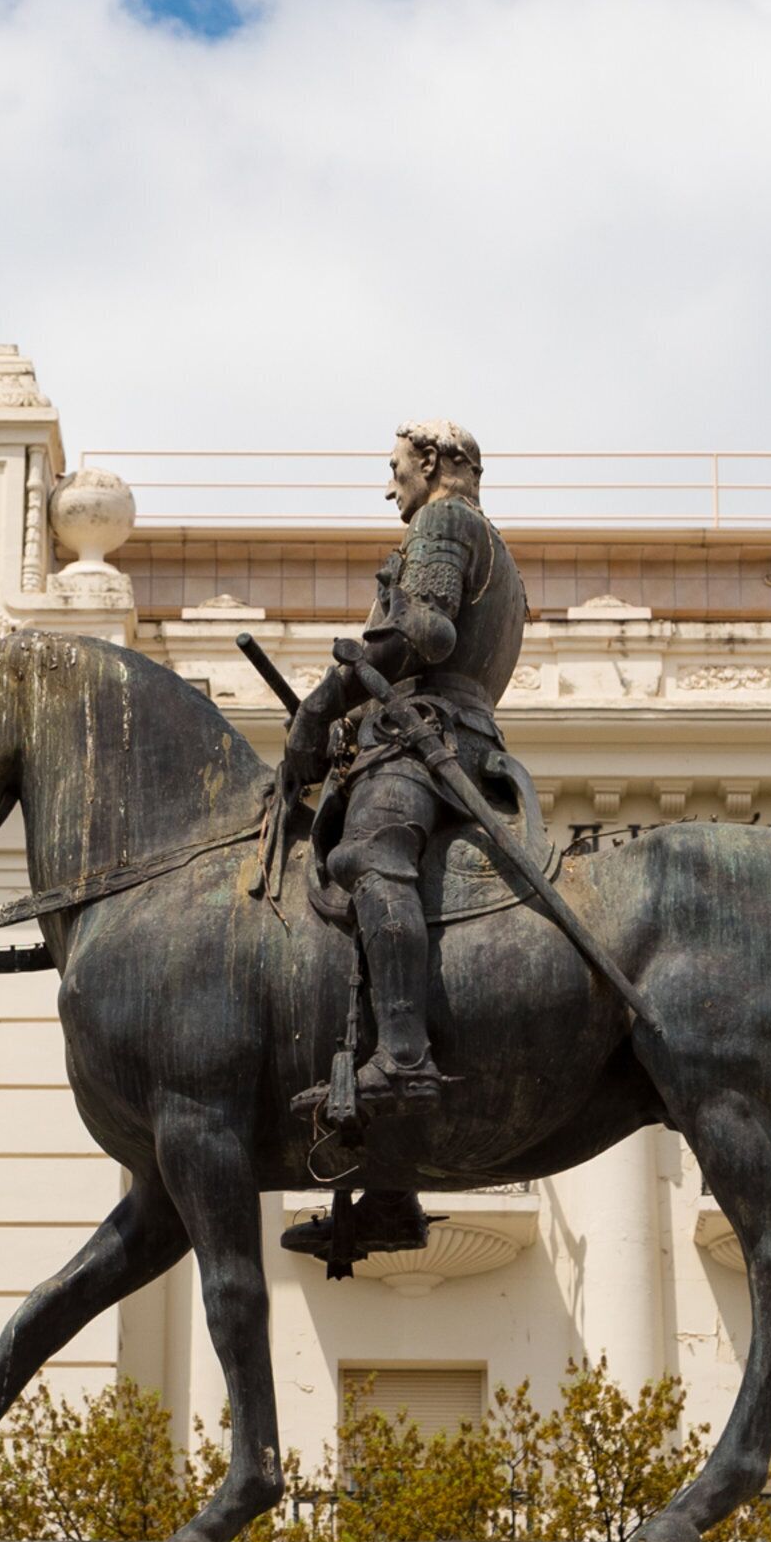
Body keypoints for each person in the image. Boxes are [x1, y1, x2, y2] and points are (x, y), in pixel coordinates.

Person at [275, 419, 529, 1258]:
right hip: (447, 734)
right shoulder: (496, 549)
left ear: (430, 462)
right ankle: (387, 1188)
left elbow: (428, 635)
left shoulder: (446, 522)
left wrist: (324, 701)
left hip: (429, 740)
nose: (390, 488)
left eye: (395, 469)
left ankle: (406, 1057)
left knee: (372, 860)